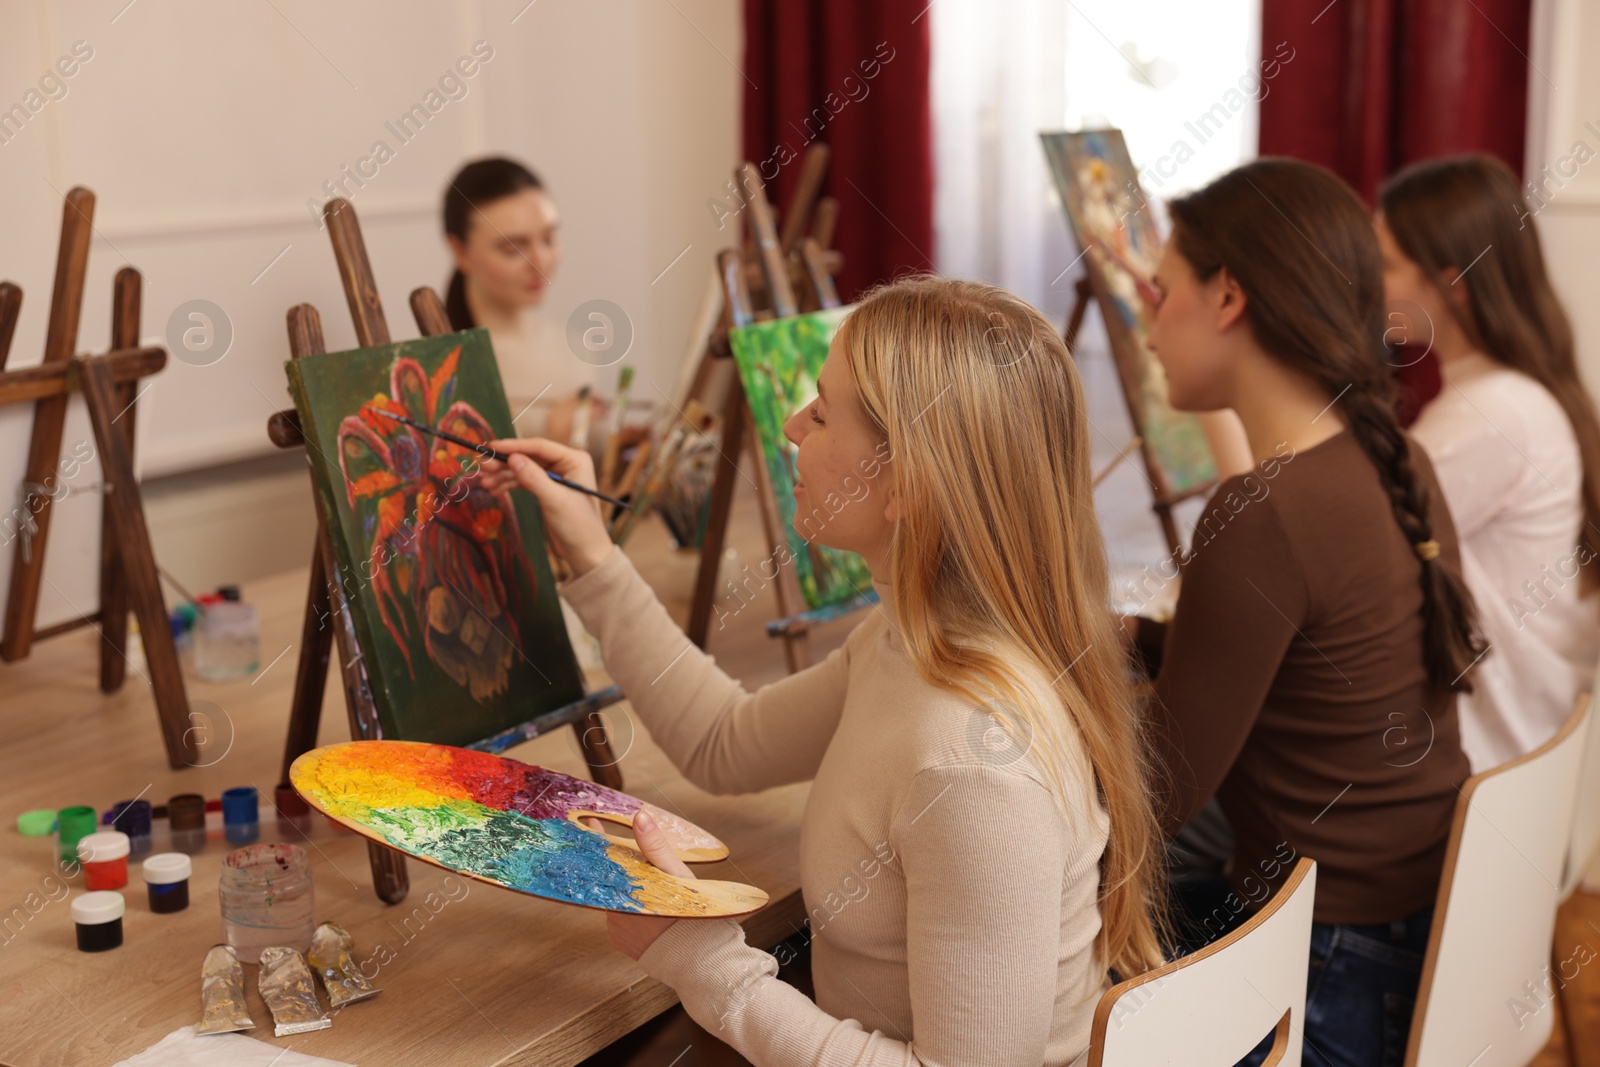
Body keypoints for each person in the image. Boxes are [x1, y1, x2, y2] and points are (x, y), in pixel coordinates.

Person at [479, 276, 1168, 1065]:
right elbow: (723, 741)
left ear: (908, 484)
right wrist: (593, 554)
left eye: (822, 410)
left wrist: (700, 959)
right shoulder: (916, 641)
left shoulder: (971, 760)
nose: (790, 430)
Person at [1132, 158, 1481, 1067]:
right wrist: (1133, 639)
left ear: (1228, 297)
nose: (1145, 325)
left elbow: (1154, 794)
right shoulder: (1388, 456)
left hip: (1324, 969)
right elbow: (1304, 664)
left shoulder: (1261, 515)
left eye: (1160, 292)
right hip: (1407, 929)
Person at [1377, 153, 1600, 771]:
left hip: (1478, 763)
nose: (1372, 281)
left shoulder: (1496, 414)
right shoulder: (1505, 398)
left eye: (1388, 263)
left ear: (1453, 282)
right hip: (1515, 758)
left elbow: (1338, 557)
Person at [442, 157, 603, 444]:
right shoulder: (444, 372)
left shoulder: (576, 345)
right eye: (512, 249)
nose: (540, 262)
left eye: (549, 238)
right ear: (459, 251)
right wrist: (555, 442)